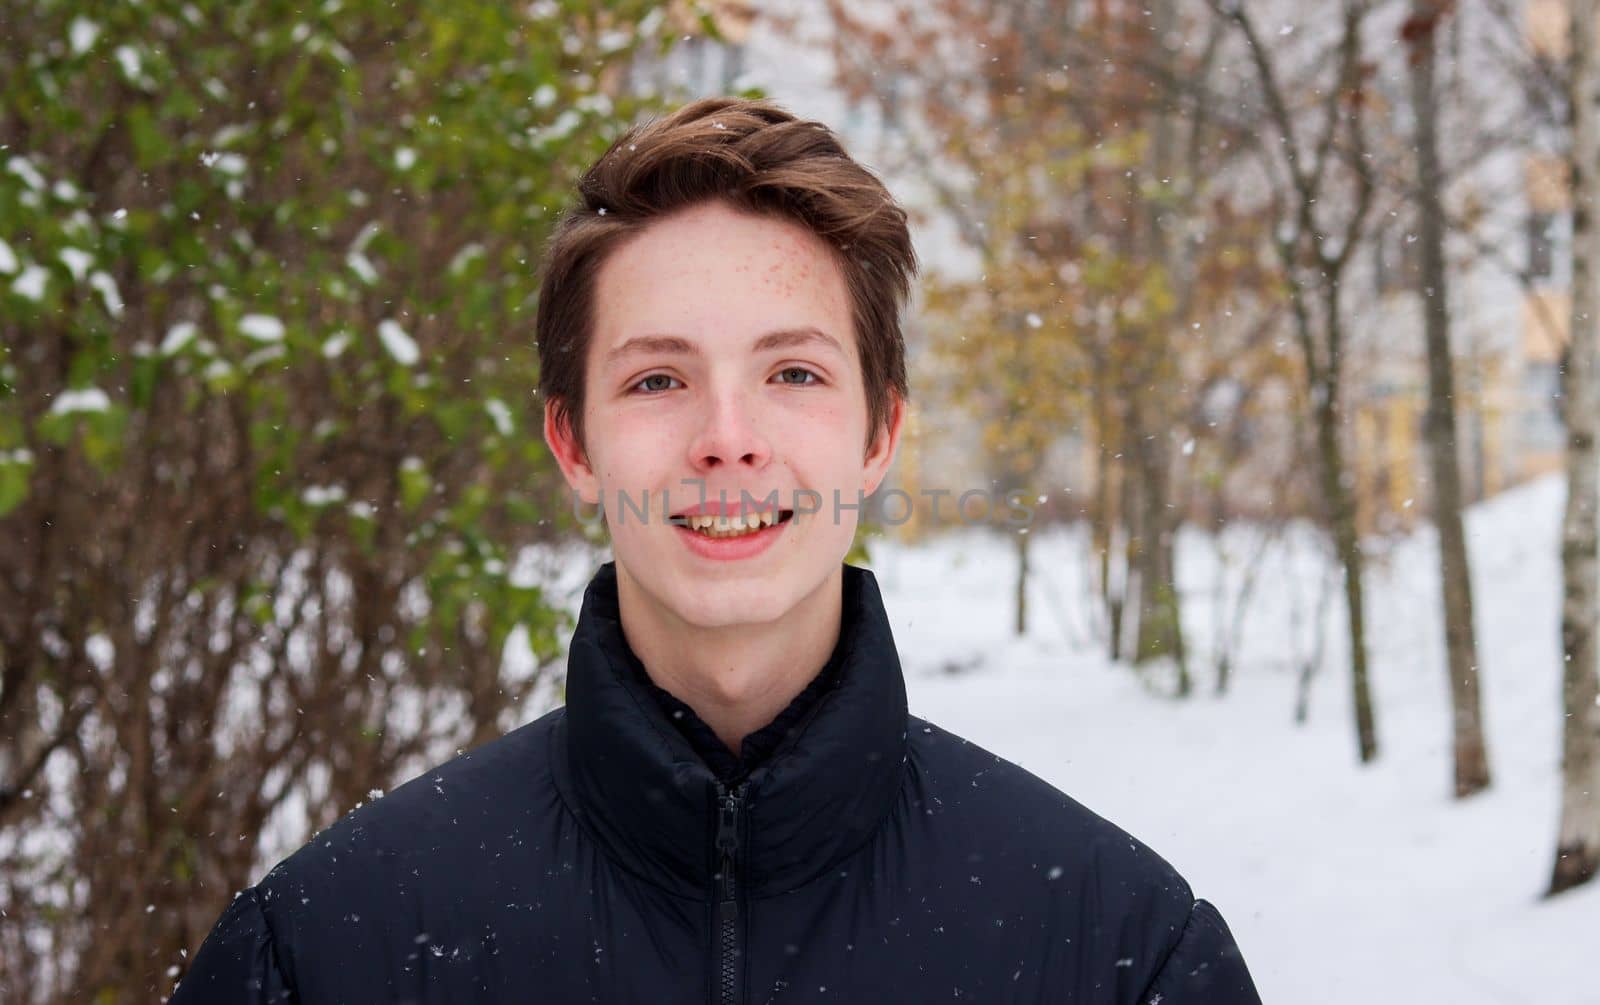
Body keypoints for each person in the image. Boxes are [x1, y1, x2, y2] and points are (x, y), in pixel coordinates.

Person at [172, 96, 1261, 1004]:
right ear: (572, 441)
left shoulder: (1117, 952)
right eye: (657, 379)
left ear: (879, 432)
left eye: (792, 373)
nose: (726, 440)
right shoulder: (325, 951)